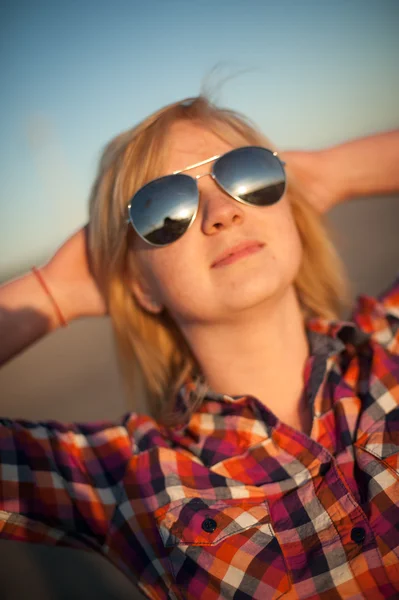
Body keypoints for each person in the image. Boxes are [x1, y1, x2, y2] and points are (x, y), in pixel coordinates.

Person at [0, 96, 398, 600]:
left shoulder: (391, 337)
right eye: (164, 207)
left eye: (248, 173)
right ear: (141, 286)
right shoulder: (134, 480)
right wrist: (54, 292)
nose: (223, 211)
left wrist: (333, 172)